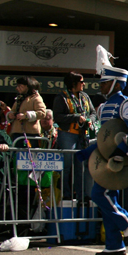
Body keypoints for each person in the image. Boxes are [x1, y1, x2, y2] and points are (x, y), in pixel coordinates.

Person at [76, 52, 128, 255]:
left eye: (105, 82)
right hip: (107, 159)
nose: (101, 86)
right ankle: (114, 244)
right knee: (108, 197)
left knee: (100, 194)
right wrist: (88, 152)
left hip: (120, 159)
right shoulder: (102, 107)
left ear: (117, 83)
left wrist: (119, 154)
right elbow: (103, 138)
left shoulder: (126, 104)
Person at [53, 71, 97, 199]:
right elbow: (58, 116)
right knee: (66, 166)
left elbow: (93, 112)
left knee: (81, 166)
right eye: (81, 81)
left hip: (83, 135)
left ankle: (81, 195)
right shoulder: (61, 97)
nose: (84, 84)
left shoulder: (85, 96)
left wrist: (90, 120)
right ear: (73, 83)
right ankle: (65, 194)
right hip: (67, 134)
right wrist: (76, 117)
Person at [7, 76, 46, 142]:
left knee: (29, 152)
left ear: (27, 86)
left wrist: (26, 116)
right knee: (16, 151)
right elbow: (13, 110)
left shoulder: (36, 98)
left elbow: (42, 113)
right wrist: (10, 115)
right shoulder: (19, 98)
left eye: (20, 86)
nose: (17, 88)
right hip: (17, 132)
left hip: (30, 133)